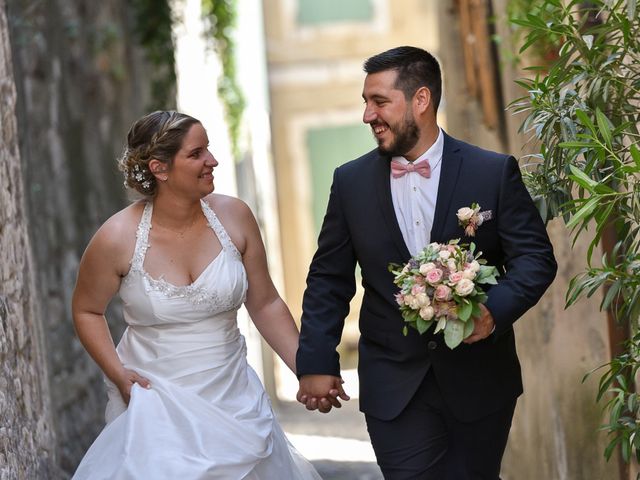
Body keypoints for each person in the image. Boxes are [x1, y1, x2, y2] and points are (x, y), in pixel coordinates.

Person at [296, 46, 558, 479]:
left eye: (379, 101)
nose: (367, 115)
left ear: (421, 100)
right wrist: (316, 362)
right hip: (393, 384)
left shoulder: (491, 172)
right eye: (365, 102)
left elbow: (534, 259)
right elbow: (329, 278)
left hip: (479, 381)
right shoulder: (350, 183)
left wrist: (493, 312)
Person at [71, 111, 321, 479]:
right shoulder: (116, 237)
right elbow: (87, 310)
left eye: (209, 150)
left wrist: (309, 371)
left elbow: (265, 303)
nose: (212, 161)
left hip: (233, 396)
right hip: (157, 399)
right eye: (197, 153)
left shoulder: (234, 216)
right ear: (160, 168)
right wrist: (119, 374)